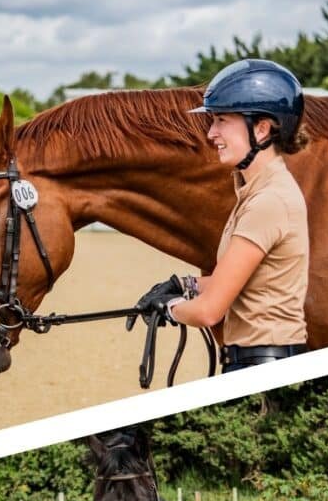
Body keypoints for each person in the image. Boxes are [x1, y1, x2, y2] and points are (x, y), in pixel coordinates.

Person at [130, 59, 309, 372]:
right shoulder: (256, 192)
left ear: (262, 129)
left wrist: (170, 308)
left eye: (222, 120)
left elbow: (209, 312)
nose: (211, 133)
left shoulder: (268, 202)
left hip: (261, 365)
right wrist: (184, 284)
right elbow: (249, 285)